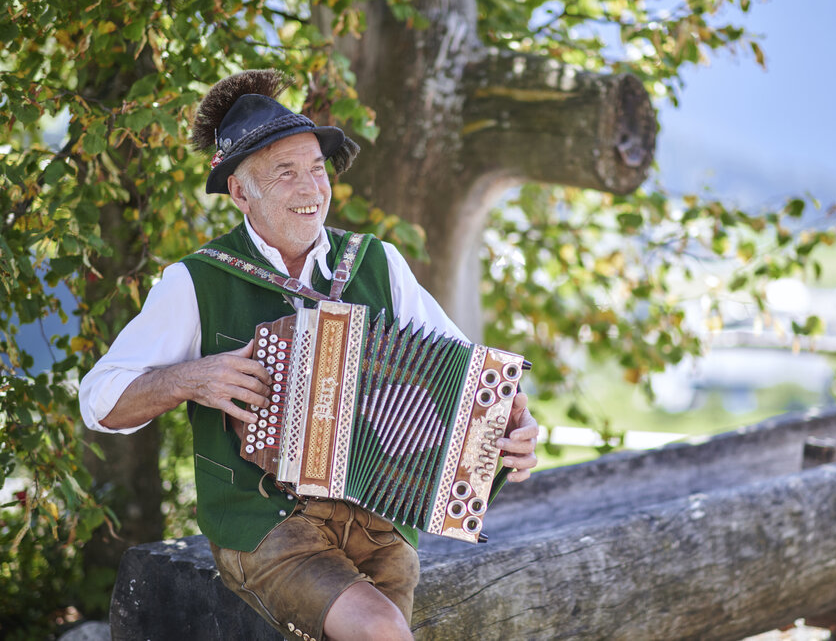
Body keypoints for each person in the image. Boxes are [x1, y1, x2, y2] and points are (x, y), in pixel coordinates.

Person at [79, 69, 539, 641]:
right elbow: (99, 402)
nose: (310, 189)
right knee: (381, 632)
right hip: (267, 527)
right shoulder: (195, 281)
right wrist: (189, 379)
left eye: (317, 169)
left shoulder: (377, 261)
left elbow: (466, 375)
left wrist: (514, 423)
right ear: (241, 192)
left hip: (381, 525)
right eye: (286, 173)